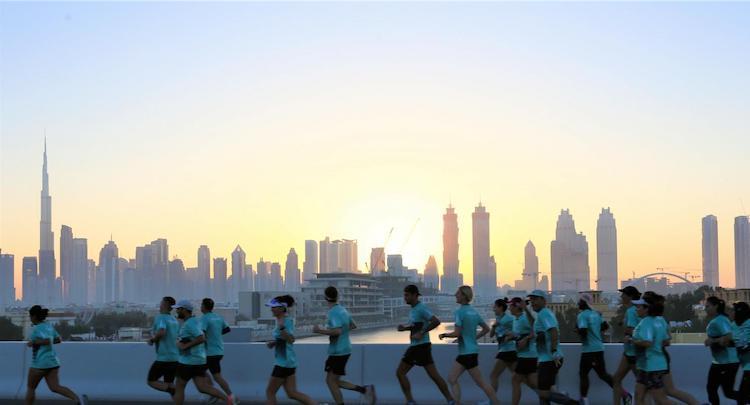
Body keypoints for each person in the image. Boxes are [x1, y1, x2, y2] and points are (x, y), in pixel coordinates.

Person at [312, 286, 376, 405]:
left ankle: (357, 394)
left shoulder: (333, 312)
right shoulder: (343, 310)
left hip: (338, 351)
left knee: (331, 381)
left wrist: (319, 330)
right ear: (337, 296)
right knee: (333, 381)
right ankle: (364, 390)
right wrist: (341, 332)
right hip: (345, 349)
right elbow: (353, 325)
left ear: (325, 297)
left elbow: (337, 331)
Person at [438, 285, 499, 405]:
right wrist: (473, 338)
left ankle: (496, 403)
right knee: (452, 378)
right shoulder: (474, 312)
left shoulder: (459, 312)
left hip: (466, 353)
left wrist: (444, 335)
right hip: (470, 352)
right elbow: (486, 329)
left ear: (464, 296)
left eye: (458, 293)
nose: (455, 295)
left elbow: (457, 333)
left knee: (480, 383)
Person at [395, 284, 454, 405]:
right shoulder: (413, 310)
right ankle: (450, 400)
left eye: (407, 295)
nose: (405, 298)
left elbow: (436, 321)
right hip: (420, 346)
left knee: (400, 373)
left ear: (414, 295)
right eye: (404, 295)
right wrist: (404, 328)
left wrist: (421, 333)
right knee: (434, 376)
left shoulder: (421, 308)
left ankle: (410, 401)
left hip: (419, 347)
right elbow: (415, 326)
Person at [25, 305, 88, 405]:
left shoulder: (36, 329)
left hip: (39, 364)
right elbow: (58, 339)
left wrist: (34, 342)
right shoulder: (48, 326)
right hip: (52, 363)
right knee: (55, 387)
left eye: (30, 316)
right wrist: (42, 342)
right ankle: (77, 399)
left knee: (31, 388)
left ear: (34, 317)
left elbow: (47, 340)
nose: (30, 318)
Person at [172, 299, 231, 405]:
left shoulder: (191, 323)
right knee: (202, 387)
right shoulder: (196, 321)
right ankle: (228, 400)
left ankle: (228, 398)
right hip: (199, 360)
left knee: (179, 386)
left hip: (188, 361)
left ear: (184, 310)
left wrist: (184, 346)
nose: (176, 311)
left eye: (178, 309)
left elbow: (201, 338)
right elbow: (225, 330)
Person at [527, 289, 579, 405]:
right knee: (546, 391)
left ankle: (574, 403)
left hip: (550, 359)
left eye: (535, 299)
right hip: (546, 359)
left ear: (543, 300)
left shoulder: (544, 314)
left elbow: (553, 331)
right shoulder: (542, 314)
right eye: (531, 300)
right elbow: (537, 327)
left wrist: (554, 351)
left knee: (543, 393)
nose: (532, 302)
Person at [265, 295, 315, 405]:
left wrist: (282, 328)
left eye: (274, 307)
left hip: (283, 363)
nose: (271, 309)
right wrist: (274, 343)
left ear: (282, 308)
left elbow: (291, 339)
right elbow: (284, 339)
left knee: (270, 392)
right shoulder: (281, 320)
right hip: (289, 362)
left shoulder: (286, 321)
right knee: (292, 393)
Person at [630, 295, 670, 405]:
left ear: (646, 308)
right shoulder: (660, 320)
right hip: (654, 364)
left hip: (650, 366)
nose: (636, 309)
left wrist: (633, 341)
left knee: (660, 399)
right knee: (639, 396)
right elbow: (666, 341)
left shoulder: (646, 322)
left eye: (639, 307)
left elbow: (647, 342)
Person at [576, 292, 614, 405]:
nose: (578, 303)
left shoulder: (582, 315)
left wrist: (578, 332)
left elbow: (583, 331)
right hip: (599, 348)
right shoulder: (596, 314)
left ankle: (584, 400)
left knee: (583, 374)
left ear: (584, 302)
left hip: (589, 350)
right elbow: (605, 326)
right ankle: (623, 393)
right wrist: (596, 332)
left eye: (580, 301)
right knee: (603, 374)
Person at [201, 297, 237, 404]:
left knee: (199, 371)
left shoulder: (204, 318)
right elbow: (227, 329)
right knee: (216, 376)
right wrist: (215, 334)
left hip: (209, 352)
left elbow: (202, 334)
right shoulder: (218, 317)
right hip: (219, 351)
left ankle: (213, 393)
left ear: (204, 306)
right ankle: (231, 396)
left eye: (201, 305)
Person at [704, 296, 739, 405]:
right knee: (723, 391)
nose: (705, 309)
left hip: (726, 363)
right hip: (720, 362)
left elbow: (729, 336)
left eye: (708, 306)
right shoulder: (718, 320)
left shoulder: (720, 320)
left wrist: (712, 341)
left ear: (716, 306)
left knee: (717, 390)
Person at [612, 286, 640, 405]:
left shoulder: (631, 311)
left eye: (624, 294)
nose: (621, 296)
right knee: (616, 379)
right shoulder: (636, 310)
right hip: (629, 352)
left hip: (633, 353)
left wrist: (626, 334)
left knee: (642, 384)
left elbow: (631, 329)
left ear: (630, 297)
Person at [147, 296, 179, 397]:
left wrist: (152, 340)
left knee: (151, 380)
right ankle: (176, 395)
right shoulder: (174, 320)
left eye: (161, 303)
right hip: (175, 357)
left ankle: (174, 390)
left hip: (164, 358)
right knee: (169, 382)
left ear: (164, 305)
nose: (159, 305)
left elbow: (161, 332)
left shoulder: (161, 317)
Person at [509, 297, 538, 405]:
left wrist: (526, 339)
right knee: (534, 383)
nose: (509, 308)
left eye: (511, 306)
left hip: (528, 355)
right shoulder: (516, 319)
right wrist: (511, 336)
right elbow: (520, 334)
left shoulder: (524, 318)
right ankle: (559, 397)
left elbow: (535, 330)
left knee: (515, 379)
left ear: (516, 307)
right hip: (523, 355)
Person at [489, 298, 517, 394]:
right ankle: (544, 393)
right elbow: (491, 335)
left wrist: (510, 335)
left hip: (507, 351)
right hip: (507, 350)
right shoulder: (498, 319)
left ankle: (492, 400)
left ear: (500, 307)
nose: (493, 309)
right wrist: (494, 326)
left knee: (493, 375)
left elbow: (517, 331)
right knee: (518, 376)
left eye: (495, 307)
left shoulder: (509, 319)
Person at [731, 301, 750, 405]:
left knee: (741, 398)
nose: (732, 313)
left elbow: (744, 345)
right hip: (745, 365)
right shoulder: (733, 325)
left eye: (734, 311)